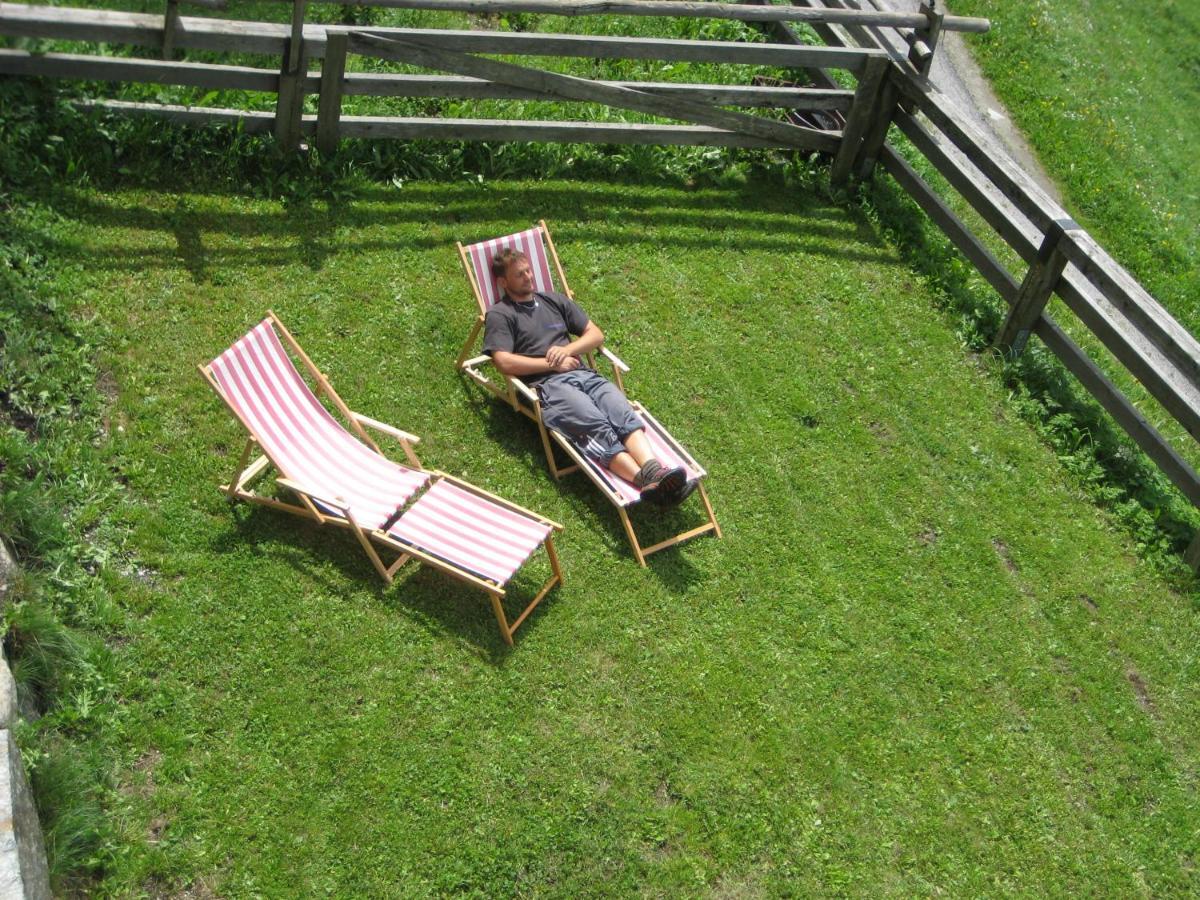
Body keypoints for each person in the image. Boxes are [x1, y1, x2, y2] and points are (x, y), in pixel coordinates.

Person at [483, 248, 694, 505]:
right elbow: (503, 361)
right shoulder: (500, 314)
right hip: (549, 386)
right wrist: (551, 364)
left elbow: (596, 334)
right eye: (519, 274)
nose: (528, 277)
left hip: (584, 375)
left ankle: (655, 473)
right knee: (595, 425)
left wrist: (565, 351)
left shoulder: (553, 300)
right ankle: (645, 482)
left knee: (622, 412)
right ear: (503, 282)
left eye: (528, 270)